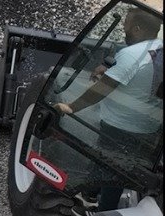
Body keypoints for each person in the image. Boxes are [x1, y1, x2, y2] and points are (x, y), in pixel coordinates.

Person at [55, 9, 164, 160]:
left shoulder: (131, 54)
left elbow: (102, 88)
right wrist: (113, 68)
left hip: (119, 129)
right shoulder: (158, 47)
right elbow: (142, 71)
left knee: (103, 169)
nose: (124, 29)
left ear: (137, 29)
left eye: (126, 25)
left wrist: (71, 107)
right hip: (149, 130)